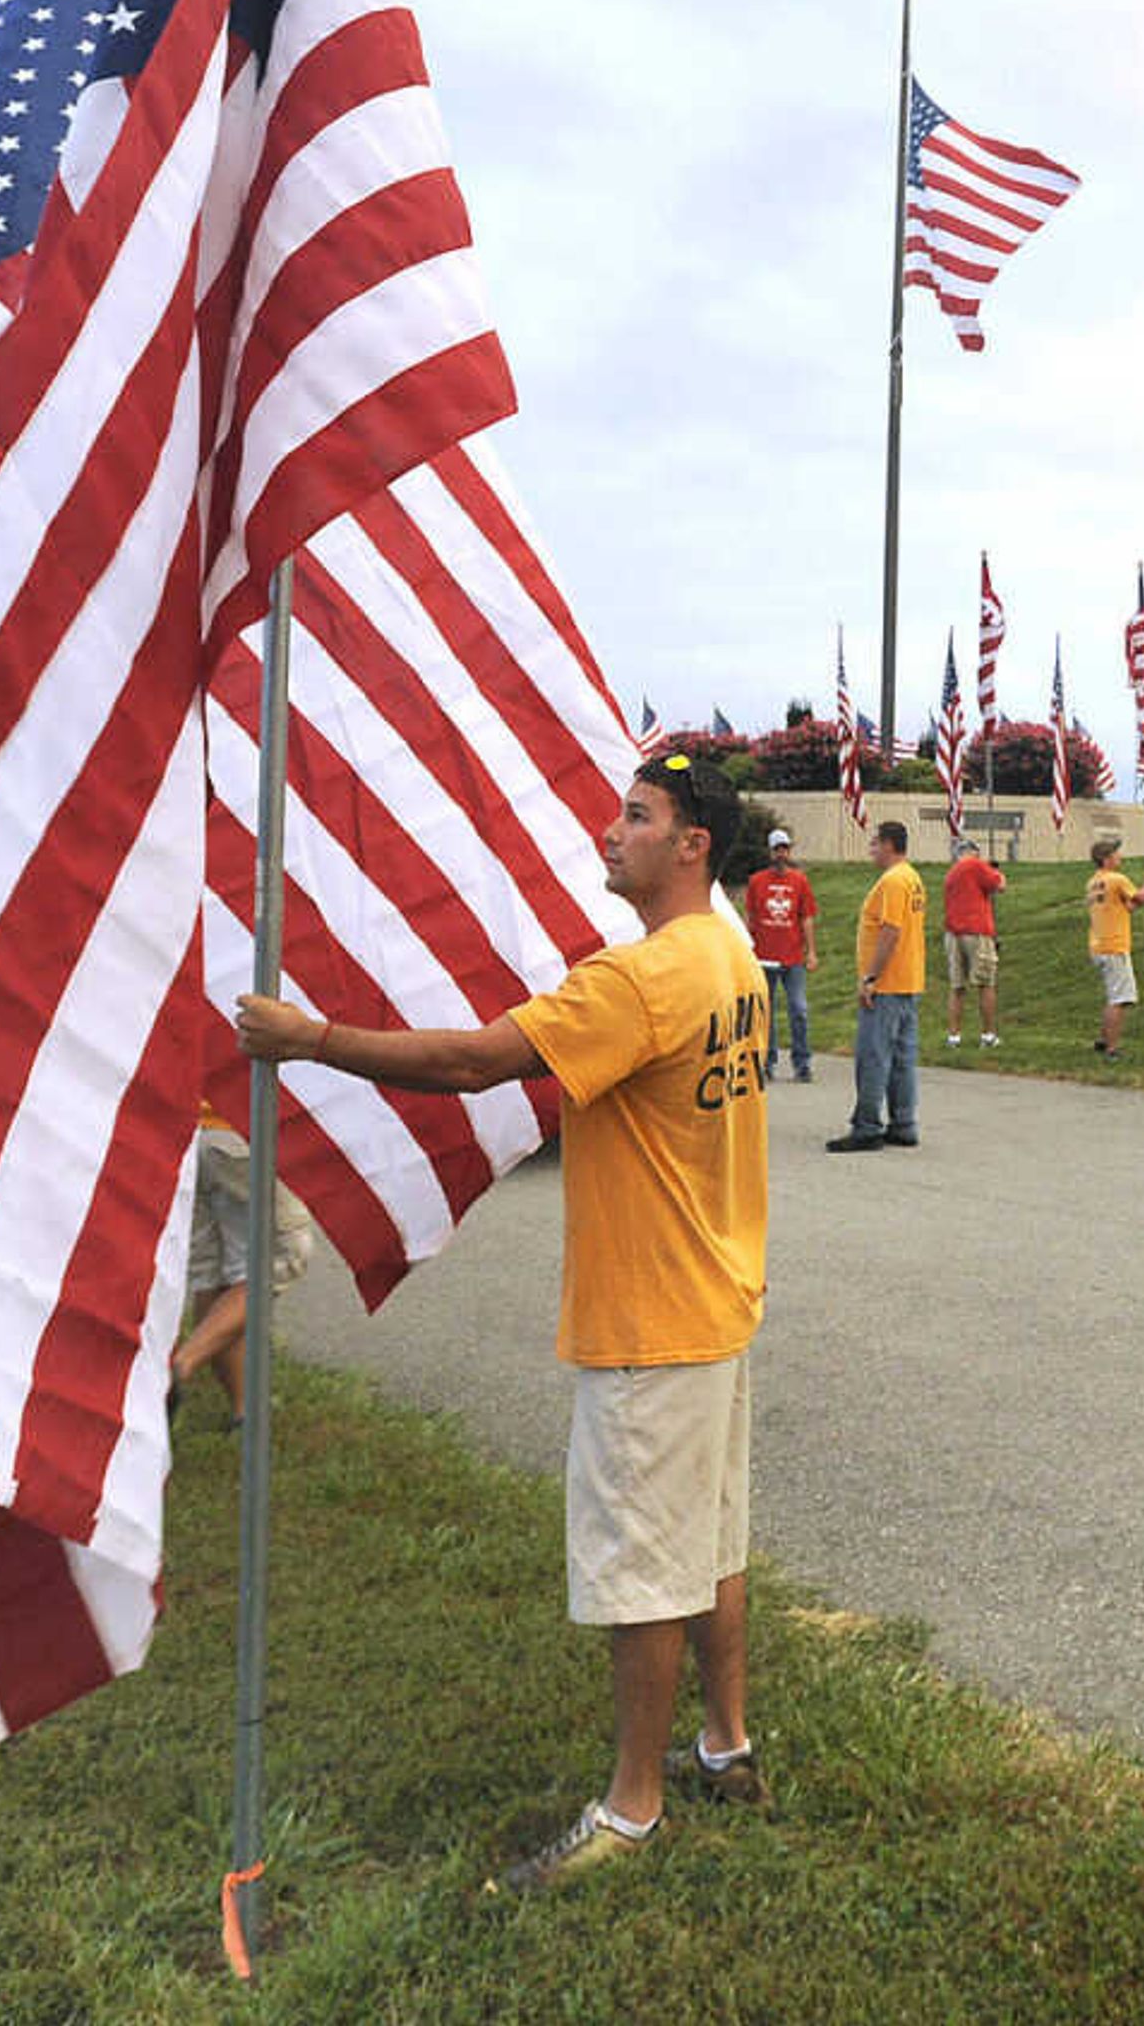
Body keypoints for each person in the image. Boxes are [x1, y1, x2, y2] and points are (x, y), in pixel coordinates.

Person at [236, 748, 773, 1890]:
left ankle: (633, 1807)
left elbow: (481, 1060)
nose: (610, 830)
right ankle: (726, 1740)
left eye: (637, 816)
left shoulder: (642, 978)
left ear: (690, 847)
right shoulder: (732, 954)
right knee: (712, 1541)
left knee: (645, 1566)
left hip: (651, 1315)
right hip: (718, 1297)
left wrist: (311, 1039)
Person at [167, 1112, 317, 1423]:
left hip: (186, 1136)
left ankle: (244, 1411)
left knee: (215, 1274)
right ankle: (178, 1368)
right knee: (283, 1254)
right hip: (237, 1132)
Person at [832, 820, 924, 1151]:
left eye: (874, 843)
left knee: (874, 1056)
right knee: (902, 1057)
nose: (871, 850)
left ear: (888, 844)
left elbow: (890, 930)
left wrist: (871, 977)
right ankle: (903, 1123)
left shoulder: (894, 881)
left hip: (887, 984)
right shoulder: (912, 877)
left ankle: (867, 1125)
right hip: (908, 980)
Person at [743, 829, 819, 1081]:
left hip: (792, 957)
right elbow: (750, 918)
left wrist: (811, 952)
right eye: (777, 849)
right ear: (770, 851)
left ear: (789, 851)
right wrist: (745, 949)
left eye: (784, 848)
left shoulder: (799, 881)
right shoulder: (756, 881)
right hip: (764, 956)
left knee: (799, 1008)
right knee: (767, 1012)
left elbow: (806, 918)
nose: (781, 853)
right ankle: (767, 1061)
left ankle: (802, 1062)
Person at [1082, 832, 1144, 1056]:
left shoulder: (1094, 882)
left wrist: (1143, 897)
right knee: (1120, 998)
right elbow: (1140, 897)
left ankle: (1104, 1041)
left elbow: (1128, 906)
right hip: (1115, 946)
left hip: (1099, 944)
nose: (1119, 856)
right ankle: (1112, 1048)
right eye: (1116, 852)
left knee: (1113, 996)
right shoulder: (1117, 879)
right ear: (1107, 858)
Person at [942, 829, 1006, 1047]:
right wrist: (996, 871)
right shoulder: (975, 865)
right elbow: (999, 885)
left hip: (953, 933)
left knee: (957, 986)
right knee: (986, 983)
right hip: (977, 931)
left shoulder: (951, 873)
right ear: (974, 853)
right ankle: (988, 1035)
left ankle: (954, 1036)